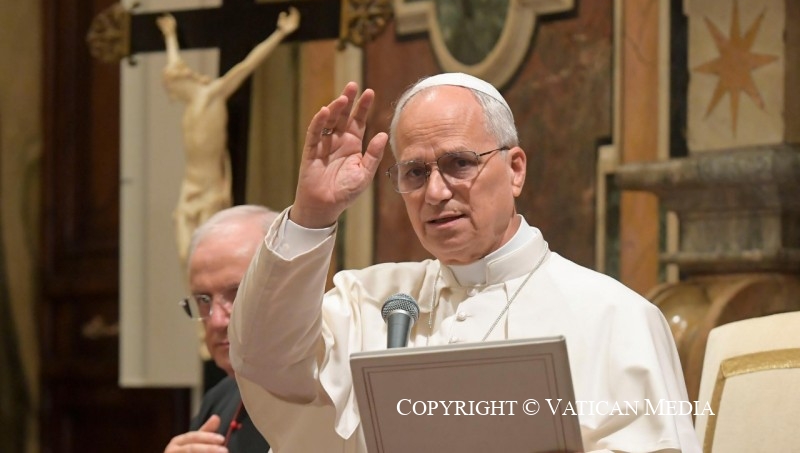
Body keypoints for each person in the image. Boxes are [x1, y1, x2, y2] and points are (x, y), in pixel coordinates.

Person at [229, 73, 701, 452]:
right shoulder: (370, 302)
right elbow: (265, 363)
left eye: (459, 163)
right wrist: (313, 214)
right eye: (415, 172)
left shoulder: (614, 316)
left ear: (515, 169)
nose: (435, 193)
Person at [156, 7, 300, 267]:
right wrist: (170, 35)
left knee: (209, 255)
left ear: (182, 83)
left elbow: (248, 65)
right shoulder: (190, 104)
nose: (172, 94)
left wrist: (280, 33)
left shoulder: (213, 95)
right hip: (190, 187)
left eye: (173, 88)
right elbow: (173, 64)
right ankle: (200, 301)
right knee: (183, 255)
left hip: (211, 188)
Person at [165, 205, 278, 453]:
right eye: (203, 300)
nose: (216, 321)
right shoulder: (220, 398)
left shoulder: (332, 396)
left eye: (237, 293)